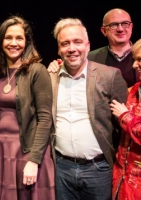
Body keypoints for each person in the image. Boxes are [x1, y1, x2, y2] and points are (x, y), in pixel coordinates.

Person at [49, 18, 128, 200]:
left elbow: (123, 123)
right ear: (59, 49)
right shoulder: (50, 77)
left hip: (98, 168)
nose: (71, 48)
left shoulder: (109, 76)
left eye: (77, 42)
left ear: (87, 45)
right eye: (65, 43)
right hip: (62, 168)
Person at [0, 16, 55, 200]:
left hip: (28, 150)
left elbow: (45, 119)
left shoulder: (37, 71)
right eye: (8, 38)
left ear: (27, 42)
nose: (13, 43)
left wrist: (34, 160)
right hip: (2, 151)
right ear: (0, 41)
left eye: (19, 38)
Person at [49, 8, 135, 88]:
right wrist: (55, 66)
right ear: (104, 31)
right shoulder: (89, 57)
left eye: (125, 24)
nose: (120, 29)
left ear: (131, 27)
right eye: (113, 25)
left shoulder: (139, 54)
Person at [110, 38, 141, 200]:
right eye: (135, 59)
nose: (135, 65)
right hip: (122, 178)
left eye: (140, 59)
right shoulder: (134, 90)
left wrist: (125, 117)